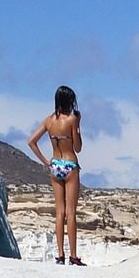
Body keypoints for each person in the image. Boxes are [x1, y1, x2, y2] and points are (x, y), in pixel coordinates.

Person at [28, 86, 85, 265]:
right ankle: (73, 256)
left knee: (59, 212)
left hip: (55, 165)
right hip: (70, 164)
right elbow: (78, 147)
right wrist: (78, 127)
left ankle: (60, 255)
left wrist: (46, 161)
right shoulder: (72, 119)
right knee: (71, 213)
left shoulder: (49, 120)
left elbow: (31, 142)